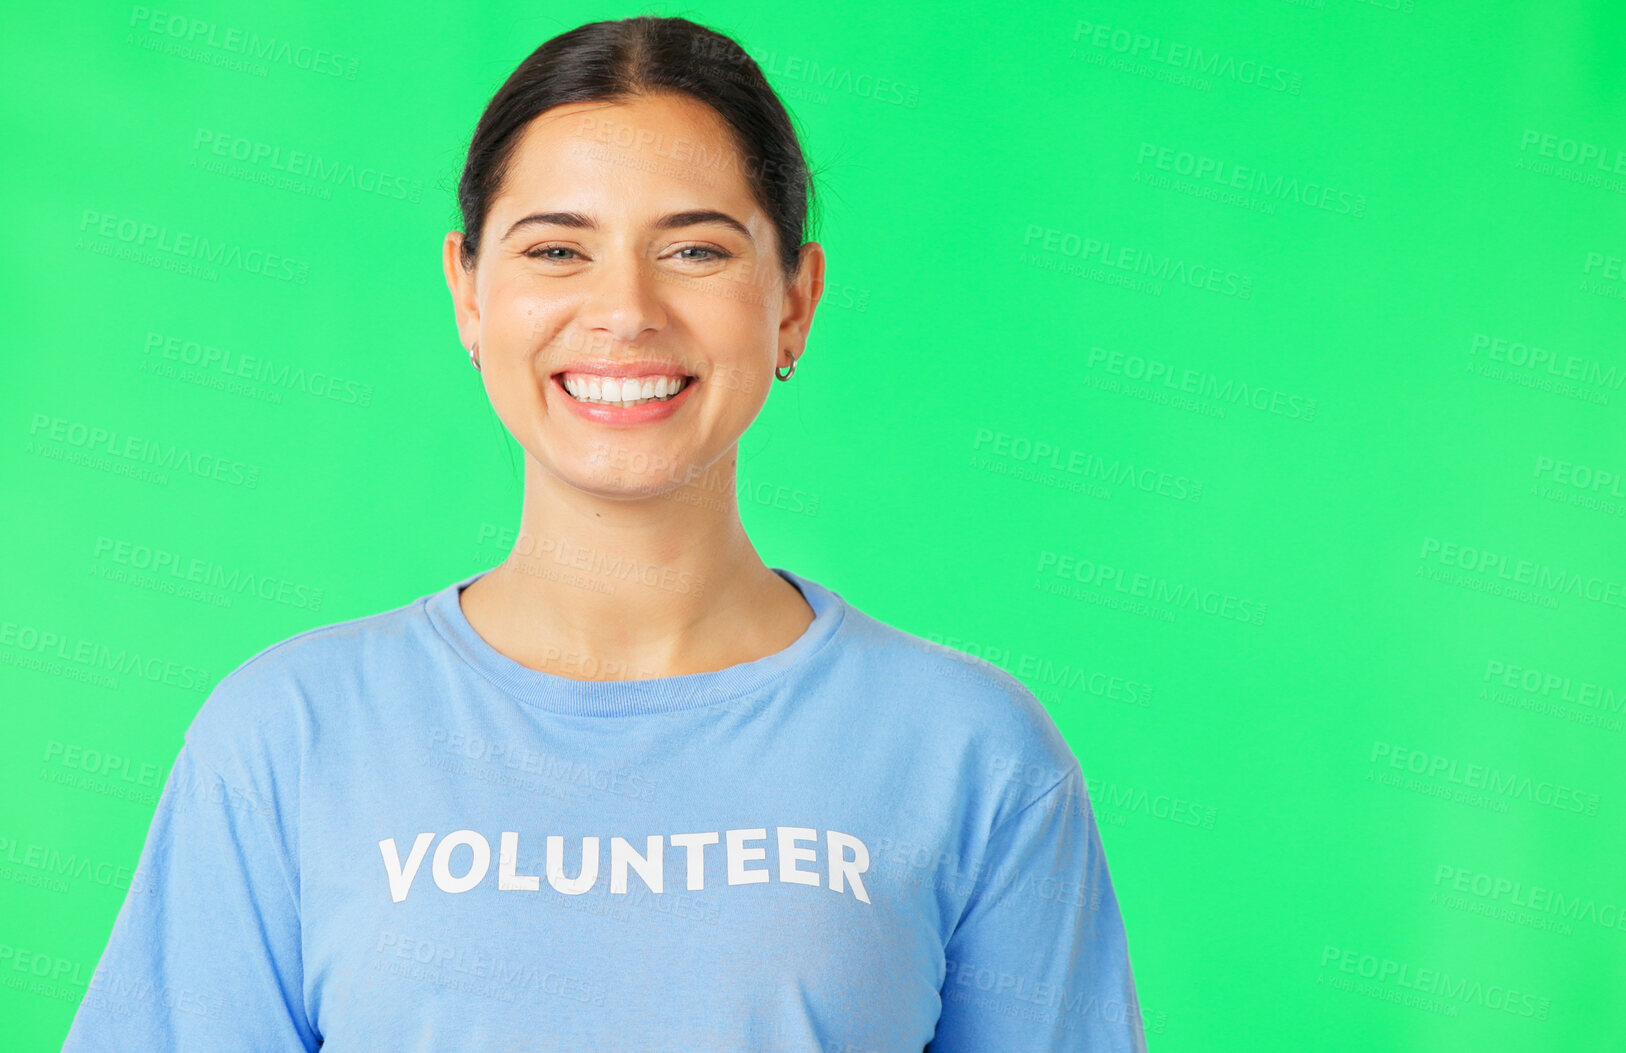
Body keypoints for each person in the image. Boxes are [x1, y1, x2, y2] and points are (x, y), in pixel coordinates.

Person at [62, 15, 1146, 1051]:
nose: (623, 311)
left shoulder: (972, 754)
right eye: (554, 251)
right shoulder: (285, 739)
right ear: (468, 294)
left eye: (694, 251)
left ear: (792, 302)